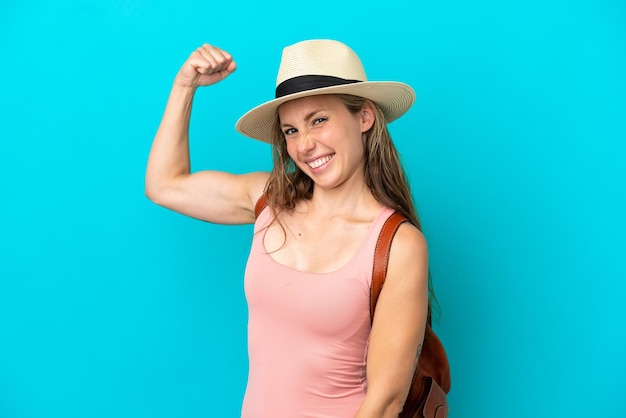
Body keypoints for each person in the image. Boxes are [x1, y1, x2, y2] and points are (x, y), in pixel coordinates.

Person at [146, 39, 431, 418]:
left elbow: (384, 403)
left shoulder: (397, 244)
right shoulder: (269, 201)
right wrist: (184, 87)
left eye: (319, 120)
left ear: (364, 117)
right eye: (291, 130)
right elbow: (164, 184)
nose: (306, 144)